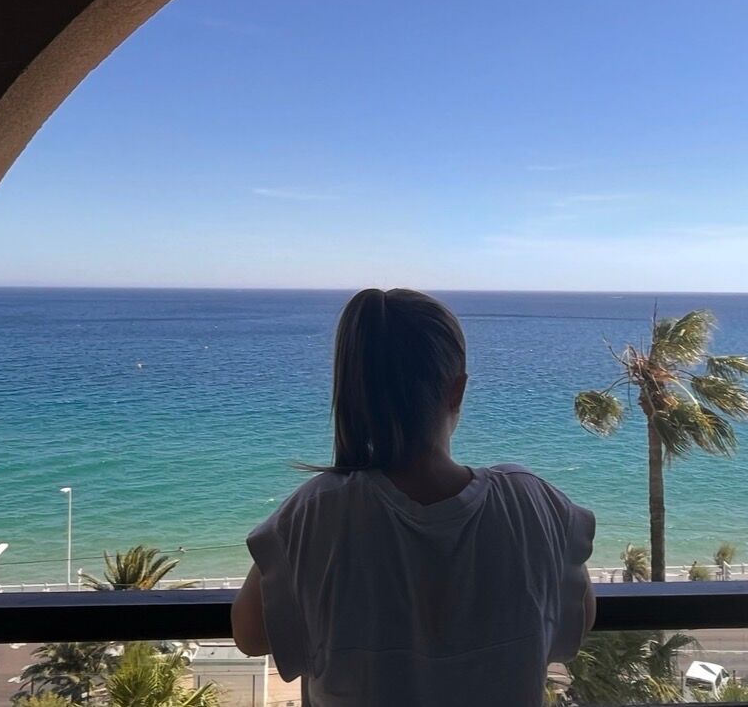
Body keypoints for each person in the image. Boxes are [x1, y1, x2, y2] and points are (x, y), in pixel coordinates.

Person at [232, 288, 596, 706]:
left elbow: (250, 635)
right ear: (456, 391)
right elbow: (580, 618)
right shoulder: (533, 504)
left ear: (353, 393)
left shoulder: (316, 512)